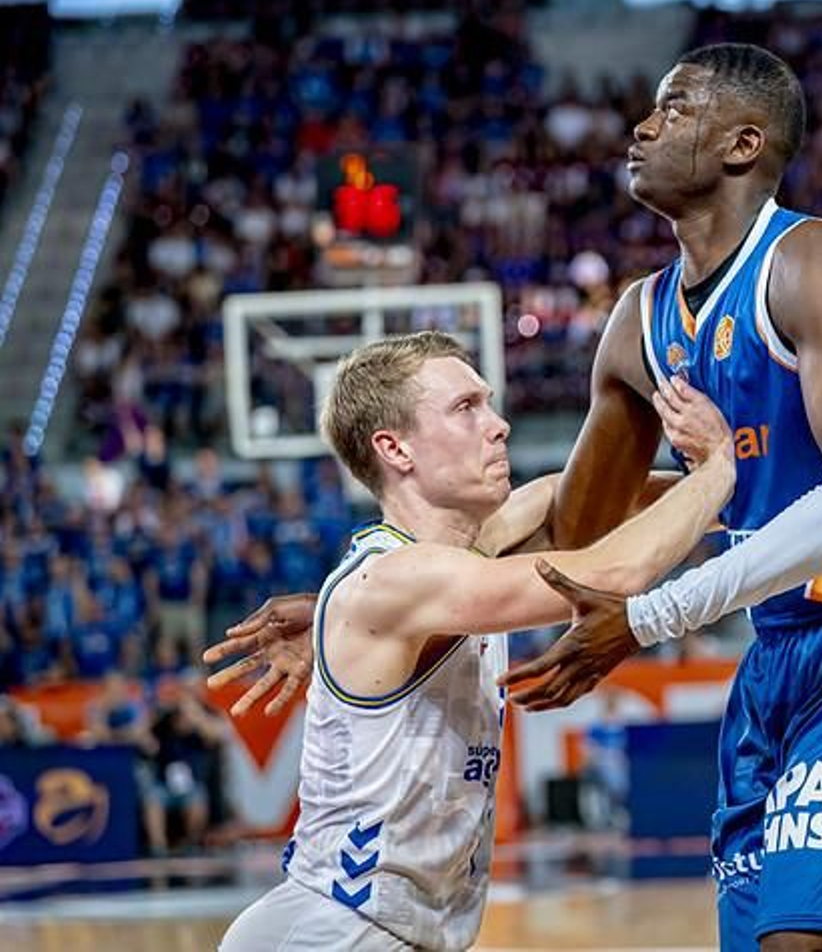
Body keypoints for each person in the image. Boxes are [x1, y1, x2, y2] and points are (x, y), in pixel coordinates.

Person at [216, 43, 822, 952]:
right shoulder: (640, 319)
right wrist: (360, 614)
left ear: (744, 144)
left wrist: (651, 613)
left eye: (676, 109)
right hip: (777, 661)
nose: (644, 125)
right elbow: (582, 527)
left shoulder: (811, 259)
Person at [217, 330, 736, 952]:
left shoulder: (454, 557)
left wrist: (746, 499)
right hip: (331, 933)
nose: (499, 425)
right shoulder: (399, 579)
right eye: (467, 408)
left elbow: (551, 497)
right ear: (394, 448)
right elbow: (612, 573)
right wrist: (720, 470)